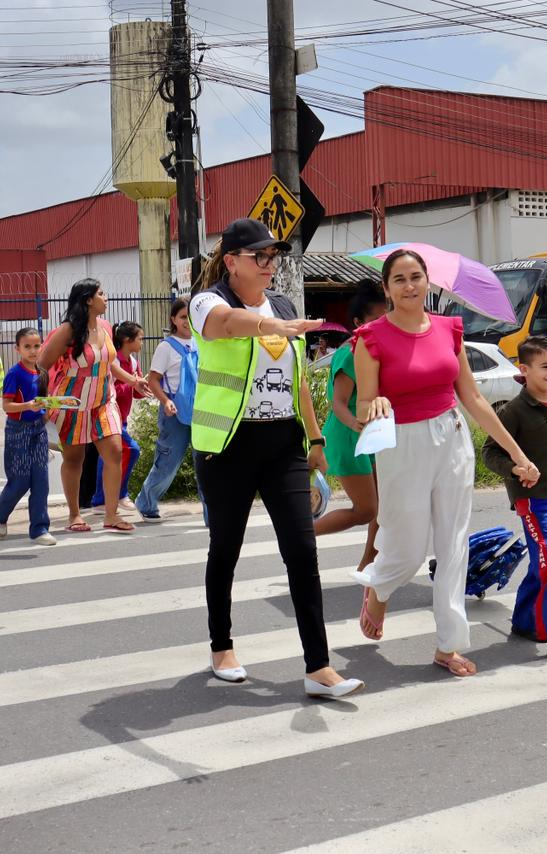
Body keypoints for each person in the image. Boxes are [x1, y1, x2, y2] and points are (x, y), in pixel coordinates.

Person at [190, 217, 363, 699]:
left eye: (274, 257)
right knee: (226, 547)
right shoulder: (210, 301)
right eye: (260, 257)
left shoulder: (285, 304)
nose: (270, 265)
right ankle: (221, 645)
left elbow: (300, 382)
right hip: (227, 445)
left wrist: (315, 440)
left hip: (282, 446)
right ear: (232, 261)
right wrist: (269, 324)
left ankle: (318, 667)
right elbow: (226, 326)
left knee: (302, 551)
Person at [352, 248, 539, 678]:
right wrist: (375, 402)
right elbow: (363, 404)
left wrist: (517, 453)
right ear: (387, 288)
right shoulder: (371, 338)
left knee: (453, 546)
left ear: (428, 282)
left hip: (452, 438)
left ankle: (448, 645)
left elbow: (472, 399)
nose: (409, 285)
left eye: (416, 276)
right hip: (402, 444)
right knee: (409, 549)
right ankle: (380, 588)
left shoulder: (448, 330)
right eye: (399, 279)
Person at [482, 335, 547, 656]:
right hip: (533, 501)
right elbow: (489, 453)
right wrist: (515, 470)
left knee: (542, 564)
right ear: (523, 370)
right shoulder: (515, 410)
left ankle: (525, 621)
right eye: (544, 367)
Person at [39, 278, 149, 535]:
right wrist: (42, 405)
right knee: (74, 459)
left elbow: (108, 363)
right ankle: (74, 514)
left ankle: (111, 515)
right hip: (73, 403)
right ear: (88, 299)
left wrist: (133, 380)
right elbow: (42, 366)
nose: (106, 297)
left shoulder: (106, 327)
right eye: (101, 293)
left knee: (114, 453)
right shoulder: (67, 332)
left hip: (102, 401)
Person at [313, 281, 386, 572]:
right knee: (367, 509)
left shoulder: (379, 350)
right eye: (376, 319)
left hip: (373, 435)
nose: (384, 324)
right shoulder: (351, 352)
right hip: (348, 436)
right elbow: (339, 403)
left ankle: (368, 566)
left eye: (387, 317)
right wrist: (356, 424)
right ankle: (301, 534)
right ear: (358, 322)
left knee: (384, 509)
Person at [135, 295, 206, 523]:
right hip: (174, 411)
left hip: (201, 410)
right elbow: (154, 380)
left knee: (205, 464)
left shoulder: (203, 342)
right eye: (183, 317)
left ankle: (211, 514)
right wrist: (165, 401)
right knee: (167, 462)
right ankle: (146, 501)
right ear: (173, 319)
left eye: (191, 317)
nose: (187, 321)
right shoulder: (166, 347)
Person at [0, 328, 57, 546]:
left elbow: (44, 401)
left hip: (38, 430)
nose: (32, 350)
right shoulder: (14, 374)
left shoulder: (42, 373)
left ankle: (39, 529)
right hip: (18, 429)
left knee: (41, 480)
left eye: (36, 346)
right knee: (20, 479)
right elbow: (7, 406)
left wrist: (48, 412)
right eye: (27, 346)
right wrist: (28, 406)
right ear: (17, 348)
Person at [91, 321, 146, 514]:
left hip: (121, 418)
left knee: (107, 458)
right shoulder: (113, 362)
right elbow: (112, 390)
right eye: (139, 339)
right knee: (132, 449)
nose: (142, 342)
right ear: (126, 340)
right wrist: (133, 382)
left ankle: (101, 500)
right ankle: (119, 495)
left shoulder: (132, 362)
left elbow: (136, 393)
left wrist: (143, 385)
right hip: (109, 416)